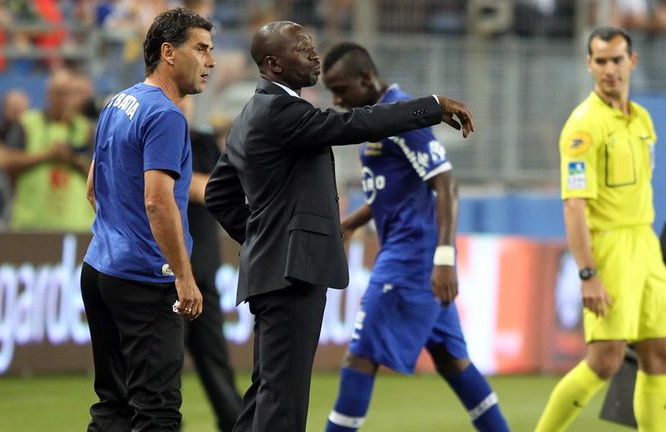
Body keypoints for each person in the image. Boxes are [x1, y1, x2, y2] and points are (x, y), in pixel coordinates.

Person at [204, 20, 476, 432]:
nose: (314, 53)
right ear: (274, 64)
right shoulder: (282, 112)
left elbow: (218, 194)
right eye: (302, 48)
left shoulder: (249, 114)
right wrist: (432, 106)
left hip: (272, 272)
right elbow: (354, 125)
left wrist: (264, 238)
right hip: (293, 275)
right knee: (283, 404)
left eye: (311, 44)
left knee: (266, 394)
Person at [320, 42, 510, 432]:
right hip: (409, 252)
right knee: (452, 362)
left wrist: (444, 259)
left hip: (412, 258)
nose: (336, 100)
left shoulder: (402, 116)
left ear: (366, 79)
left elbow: (446, 185)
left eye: (341, 90)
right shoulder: (382, 118)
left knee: (360, 356)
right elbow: (394, 189)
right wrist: (353, 222)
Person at [534, 26, 666, 432]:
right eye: (600, 61)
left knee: (662, 354)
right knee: (605, 360)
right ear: (589, 65)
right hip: (610, 248)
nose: (609, 69)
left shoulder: (643, 120)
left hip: (645, 244)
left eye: (617, 60)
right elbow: (574, 206)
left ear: (632, 62)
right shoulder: (584, 127)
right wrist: (588, 273)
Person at [80, 7, 212, 431]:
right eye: (201, 49)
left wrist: (119, 232)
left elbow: (93, 187)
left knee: (113, 408)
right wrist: (183, 275)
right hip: (145, 279)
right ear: (168, 52)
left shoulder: (118, 102)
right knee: (156, 412)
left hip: (101, 268)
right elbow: (158, 202)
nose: (209, 61)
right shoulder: (167, 115)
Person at [180, 95, 243, 432]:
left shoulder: (199, 142)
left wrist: (159, 179)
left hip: (201, 264)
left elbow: (215, 189)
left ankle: (234, 423)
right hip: (161, 270)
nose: (182, 106)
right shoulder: (146, 136)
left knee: (213, 358)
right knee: (163, 361)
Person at [9, 68, 95, 231]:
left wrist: (74, 160)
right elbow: (8, 161)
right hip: (31, 223)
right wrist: (47, 155)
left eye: (68, 94)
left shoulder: (86, 129)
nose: (64, 100)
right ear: (48, 94)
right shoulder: (27, 123)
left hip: (77, 224)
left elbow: (100, 176)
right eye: (59, 94)